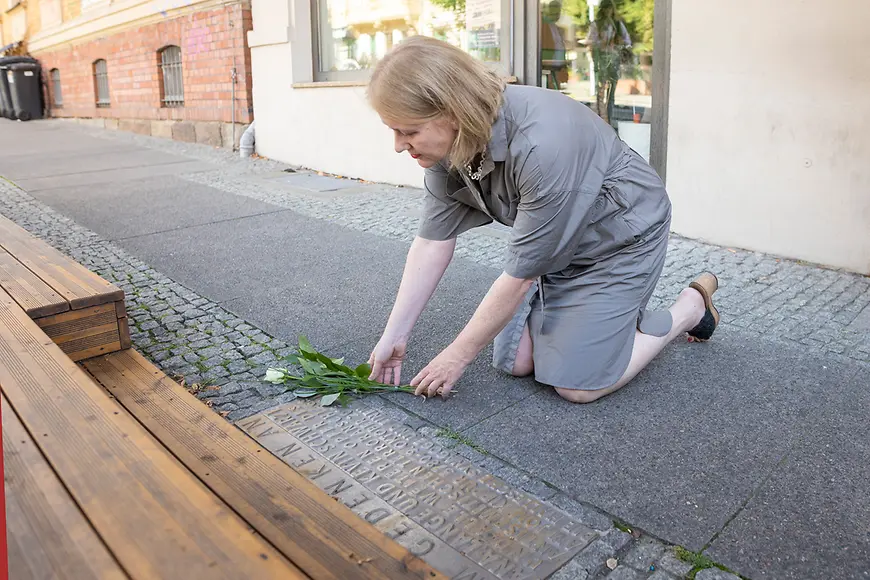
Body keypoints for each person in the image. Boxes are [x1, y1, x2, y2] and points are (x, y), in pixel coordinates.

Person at [365, 35, 720, 403]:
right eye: (393, 130)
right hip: (559, 243)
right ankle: (574, 311)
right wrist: (395, 334)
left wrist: (455, 357)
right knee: (515, 362)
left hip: (621, 240)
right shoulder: (445, 147)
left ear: (452, 113)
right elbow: (432, 242)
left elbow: (519, 277)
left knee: (578, 386)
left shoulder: (542, 145)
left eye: (408, 131)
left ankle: (690, 309)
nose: (398, 144)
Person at [586, 0, 633, 125]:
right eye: (606, 8)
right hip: (601, 60)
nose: (608, 11)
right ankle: (599, 118)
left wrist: (618, 42)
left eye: (610, 9)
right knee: (600, 91)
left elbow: (627, 41)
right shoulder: (596, 24)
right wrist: (601, 43)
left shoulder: (617, 24)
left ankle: (609, 118)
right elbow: (590, 41)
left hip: (613, 59)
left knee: (611, 92)